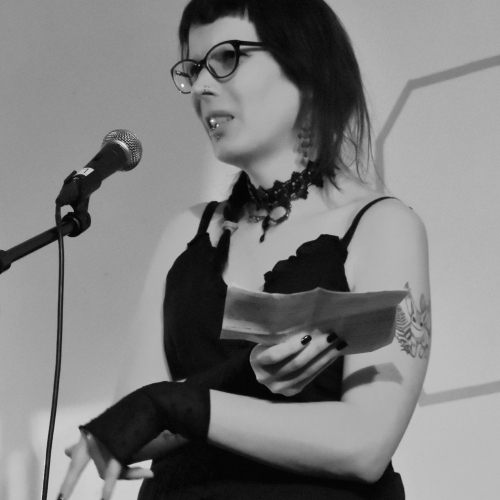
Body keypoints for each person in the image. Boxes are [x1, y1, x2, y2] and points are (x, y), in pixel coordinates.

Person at [58, 0, 431, 499]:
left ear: (305, 66)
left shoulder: (381, 225)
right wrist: (215, 388)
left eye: (227, 58)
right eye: (193, 69)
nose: (202, 86)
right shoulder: (187, 232)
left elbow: (365, 443)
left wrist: (179, 404)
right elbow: (133, 424)